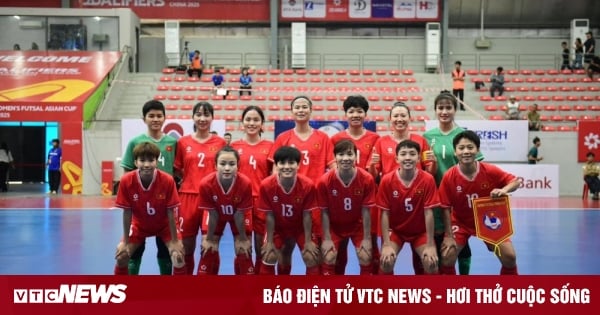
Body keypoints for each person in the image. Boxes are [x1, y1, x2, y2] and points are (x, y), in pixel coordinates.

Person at [268, 95, 336, 274]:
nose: (301, 110)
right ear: (291, 111)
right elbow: (275, 170)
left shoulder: (323, 138)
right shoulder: (283, 138)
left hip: (313, 203)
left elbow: (333, 169)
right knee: (284, 249)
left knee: (312, 252)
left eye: (304, 106)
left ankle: (312, 295)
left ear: (311, 110)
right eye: (297, 107)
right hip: (288, 201)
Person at [367, 102, 436, 275]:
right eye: (396, 116)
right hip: (393, 204)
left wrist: (433, 163)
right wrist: (374, 167)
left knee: (426, 262)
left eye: (403, 115)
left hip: (416, 204)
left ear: (410, 118)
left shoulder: (420, 141)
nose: (399, 119)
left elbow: (430, 172)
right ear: (390, 119)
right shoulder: (381, 142)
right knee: (386, 259)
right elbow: (374, 174)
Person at [438, 130, 521, 275]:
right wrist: (449, 236)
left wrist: (504, 190)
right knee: (447, 257)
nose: (466, 151)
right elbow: (445, 208)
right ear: (455, 152)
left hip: (488, 221)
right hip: (461, 222)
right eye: (461, 148)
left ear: (477, 150)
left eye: (470, 147)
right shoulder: (449, 177)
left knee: (510, 257)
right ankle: (448, 293)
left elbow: (516, 181)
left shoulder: (489, 170)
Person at [423, 91, 483, 275]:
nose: (444, 111)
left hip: (458, 196)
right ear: (435, 110)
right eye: (440, 108)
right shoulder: (427, 136)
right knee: (440, 238)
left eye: (448, 107)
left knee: (460, 241)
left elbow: (477, 165)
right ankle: (443, 278)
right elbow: (423, 168)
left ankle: (463, 278)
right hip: (435, 197)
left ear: (455, 110)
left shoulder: (463, 135)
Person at [120, 100, 177, 275]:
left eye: (159, 115)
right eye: (151, 116)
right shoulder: (135, 142)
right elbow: (127, 172)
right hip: (140, 206)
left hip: (163, 204)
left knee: (166, 248)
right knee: (134, 248)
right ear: (143, 118)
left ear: (165, 118)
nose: (155, 119)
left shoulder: (173, 143)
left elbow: (178, 171)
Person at [113, 142, 185, 276]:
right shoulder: (127, 181)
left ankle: (175, 292)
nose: (146, 164)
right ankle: (123, 290)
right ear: (135, 162)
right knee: (121, 256)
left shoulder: (167, 180)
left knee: (178, 257)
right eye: (142, 160)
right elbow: (127, 212)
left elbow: (170, 212)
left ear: (157, 161)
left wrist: (175, 242)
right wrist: (125, 242)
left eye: (151, 160)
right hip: (139, 225)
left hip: (164, 226)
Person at [174, 102, 227, 274]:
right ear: (193, 117)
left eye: (206, 115)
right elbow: (178, 169)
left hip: (212, 200)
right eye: (198, 114)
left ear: (212, 118)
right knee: (186, 246)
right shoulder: (183, 142)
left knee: (210, 245)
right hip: (188, 198)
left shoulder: (220, 142)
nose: (202, 118)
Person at [330, 95, 380, 275]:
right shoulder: (335, 139)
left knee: (370, 251)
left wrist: (373, 168)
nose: (355, 115)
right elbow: (332, 169)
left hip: (366, 201)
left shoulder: (375, 139)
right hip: (340, 202)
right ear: (345, 114)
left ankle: (368, 295)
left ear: (365, 114)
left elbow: (375, 174)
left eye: (360, 111)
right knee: (337, 253)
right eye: (351, 111)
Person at [377, 140, 439, 275]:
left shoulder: (427, 179)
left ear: (418, 157)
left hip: (420, 232)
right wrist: (386, 245)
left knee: (431, 262)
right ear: (396, 158)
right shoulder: (387, 180)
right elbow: (384, 214)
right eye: (403, 154)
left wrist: (430, 245)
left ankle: (433, 294)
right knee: (386, 261)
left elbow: (429, 213)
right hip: (396, 231)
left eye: (412, 154)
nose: (408, 157)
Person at [317, 140, 377, 275]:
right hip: (334, 226)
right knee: (329, 256)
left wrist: (367, 239)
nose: (345, 158)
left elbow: (366, 211)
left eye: (349, 154)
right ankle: (330, 293)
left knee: (366, 256)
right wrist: (326, 239)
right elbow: (324, 212)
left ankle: (364, 293)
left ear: (356, 157)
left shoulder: (366, 179)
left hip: (358, 226)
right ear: (335, 157)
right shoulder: (324, 181)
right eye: (341, 154)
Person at [258, 146, 320, 275]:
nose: (287, 167)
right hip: (277, 227)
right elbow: (269, 215)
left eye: (291, 163)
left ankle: (313, 292)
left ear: (298, 165)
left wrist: (308, 241)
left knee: (311, 256)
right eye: (282, 163)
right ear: (276, 165)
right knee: (269, 255)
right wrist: (269, 242)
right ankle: (266, 292)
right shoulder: (266, 185)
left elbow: (307, 215)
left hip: (300, 227)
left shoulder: (308, 185)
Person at [197, 146, 254, 275]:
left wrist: (244, 239)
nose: (227, 168)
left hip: (238, 214)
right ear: (215, 165)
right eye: (222, 164)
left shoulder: (245, 183)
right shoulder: (206, 183)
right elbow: (212, 214)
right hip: (215, 213)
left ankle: (246, 290)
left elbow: (240, 215)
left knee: (243, 250)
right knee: (208, 249)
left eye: (232, 164)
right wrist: (209, 238)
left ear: (238, 166)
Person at [230, 105, 274, 273]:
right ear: (242, 122)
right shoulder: (234, 146)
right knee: (243, 247)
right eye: (248, 119)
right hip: (242, 202)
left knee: (262, 248)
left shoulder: (270, 146)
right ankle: (243, 288)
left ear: (262, 123)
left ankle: (260, 288)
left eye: (256, 120)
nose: (252, 123)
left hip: (264, 202)